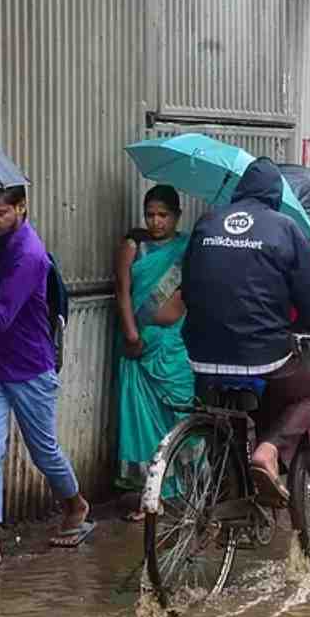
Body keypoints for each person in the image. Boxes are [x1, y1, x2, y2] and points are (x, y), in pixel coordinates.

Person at [154, 158, 310, 505]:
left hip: (202, 354)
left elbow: (191, 283)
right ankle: (270, 451)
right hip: (263, 354)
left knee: (220, 419)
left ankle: (224, 499)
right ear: (275, 195)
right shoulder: (285, 228)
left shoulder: (207, 222)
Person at [0, 185, 92, 576]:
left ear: (21, 207)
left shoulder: (29, 255)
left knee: (44, 450)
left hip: (30, 368)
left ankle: (76, 505)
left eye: (0, 212)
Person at [113, 185, 193, 522]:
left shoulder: (187, 248)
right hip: (140, 343)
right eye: (151, 215)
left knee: (179, 411)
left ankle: (186, 490)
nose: (157, 221)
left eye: (163, 215)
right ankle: (152, 494)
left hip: (174, 344)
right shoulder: (134, 247)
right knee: (142, 420)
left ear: (177, 216)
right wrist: (131, 334)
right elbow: (123, 292)